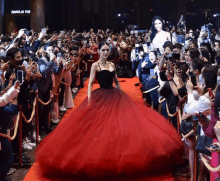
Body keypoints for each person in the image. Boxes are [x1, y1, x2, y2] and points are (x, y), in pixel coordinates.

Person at [35, 41, 183, 180]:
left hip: (115, 94)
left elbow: (117, 82)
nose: (106, 52)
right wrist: (89, 98)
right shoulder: (95, 66)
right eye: (103, 50)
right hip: (100, 95)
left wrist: (123, 96)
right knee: (97, 127)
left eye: (107, 50)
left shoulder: (112, 65)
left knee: (120, 126)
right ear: (99, 51)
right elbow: (91, 83)